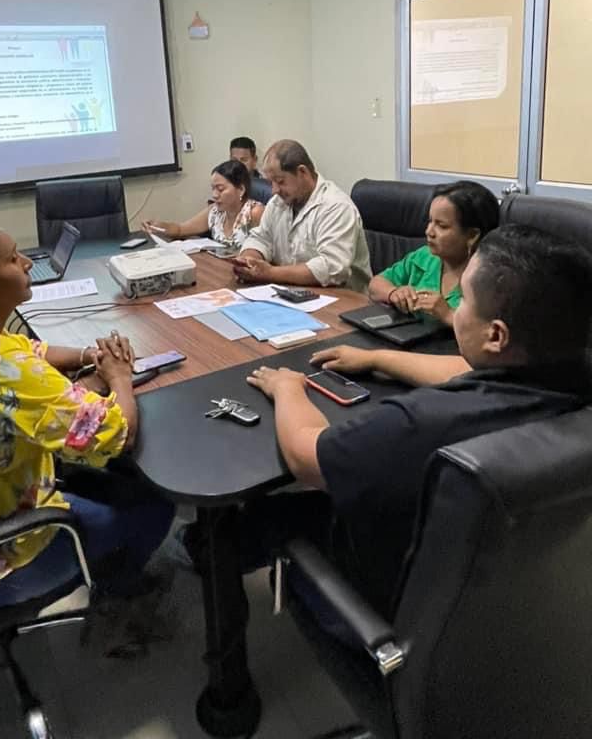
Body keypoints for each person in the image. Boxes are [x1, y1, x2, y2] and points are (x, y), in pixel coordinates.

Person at [241, 225, 592, 621]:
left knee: (256, 517)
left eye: (464, 301)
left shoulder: (421, 422)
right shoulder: (565, 375)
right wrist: (377, 358)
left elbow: (305, 455)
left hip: (396, 606)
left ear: (496, 336)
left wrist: (288, 388)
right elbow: (466, 370)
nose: (456, 310)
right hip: (521, 586)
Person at [0, 221, 173, 609]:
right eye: (12, 259)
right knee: (156, 504)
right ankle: (116, 589)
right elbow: (117, 435)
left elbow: (28, 350)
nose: (26, 262)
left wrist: (90, 356)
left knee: (117, 482)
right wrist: (120, 376)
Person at [235, 140, 371, 291]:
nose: (274, 190)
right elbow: (261, 238)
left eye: (280, 181)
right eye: (271, 182)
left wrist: (269, 273)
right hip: (291, 292)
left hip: (341, 298)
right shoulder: (278, 202)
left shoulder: (336, 207)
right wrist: (249, 260)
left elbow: (331, 267)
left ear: (302, 172)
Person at [368, 180, 499, 325]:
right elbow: (375, 284)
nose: (429, 232)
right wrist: (393, 292)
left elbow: (488, 331)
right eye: (430, 221)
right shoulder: (424, 257)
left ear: (472, 235)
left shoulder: (488, 278)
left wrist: (448, 314)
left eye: (442, 226)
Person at [142, 159, 264, 250]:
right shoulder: (215, 211)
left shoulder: (255, 212)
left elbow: (268, 252)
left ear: (241, 189)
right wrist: (157, 226)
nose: (214, 195)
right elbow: (180, 229)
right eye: (213, 189)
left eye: (220, 189)